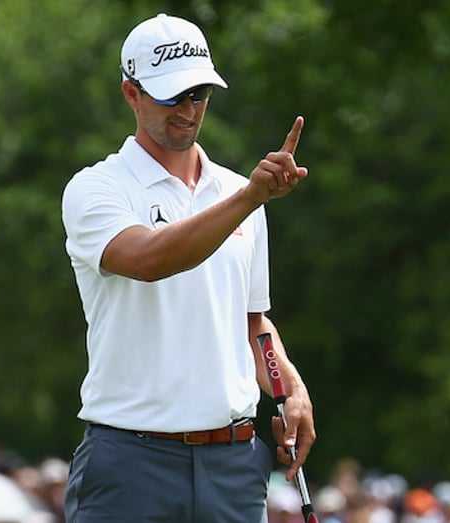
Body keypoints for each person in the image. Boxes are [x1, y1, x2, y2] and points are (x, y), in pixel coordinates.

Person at [60, 13, 315, 522]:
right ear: (131, 93)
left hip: (234, 465)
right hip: (131, 464)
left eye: (198, 94)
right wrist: (250, 198)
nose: (188, 109)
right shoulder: (96, 189)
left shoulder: (240, 194)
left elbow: (252, 323)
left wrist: (291, 389)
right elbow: (151, 259)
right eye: (172, 96)